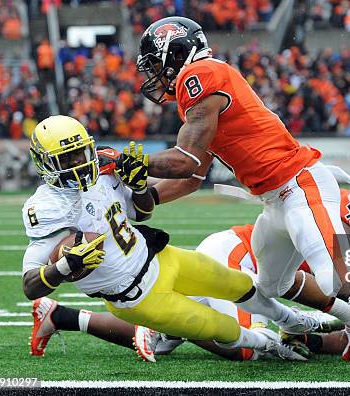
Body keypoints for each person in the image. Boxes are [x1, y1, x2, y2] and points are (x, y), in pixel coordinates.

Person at [123, 16, 350, 382]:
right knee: (268, 286)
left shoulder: (201, 75)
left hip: (299, 185)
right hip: (275, 201)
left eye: (155, 63)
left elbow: (186, 159)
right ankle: (315, 324)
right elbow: (193, 177)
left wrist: (129, 162)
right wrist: (139, 198)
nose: (154, 75)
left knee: (334, 279)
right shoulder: (199, 95)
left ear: (176, 53)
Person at [22, 115, 326, 362]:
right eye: (67, 158)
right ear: (45, 163)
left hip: (161, 257)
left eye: (81, 153)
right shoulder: (46, 208)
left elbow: (143, 212)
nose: (79, 163)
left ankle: (293, 321)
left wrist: (138, 186)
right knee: (223, 330)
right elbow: (29, 283)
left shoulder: (105, 167)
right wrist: (62, 268)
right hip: (137, 298)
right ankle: (268, 345)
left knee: (238, 284)